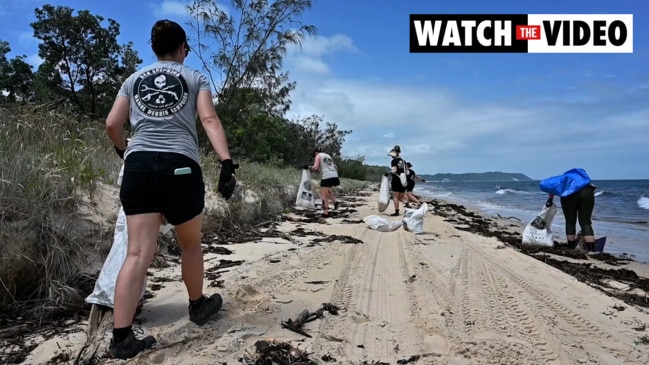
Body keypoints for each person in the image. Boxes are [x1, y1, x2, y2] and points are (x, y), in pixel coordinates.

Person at [105, 19, 238, 359]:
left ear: (154, 49)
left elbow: (112, 123)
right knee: (190, 243)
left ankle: (121, 339)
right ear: (183, 49)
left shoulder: (133, 79)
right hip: (180, 166)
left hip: (138, 166)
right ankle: (197, 305)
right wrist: (225, 162)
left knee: (137, 253)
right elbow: (209, 119)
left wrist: (125, 150)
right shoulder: (195, 78)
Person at [540, 168, 597, 251]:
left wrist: (550, 200)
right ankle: (591, 249)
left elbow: (551, 187)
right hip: (587, 192)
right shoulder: (584, 179)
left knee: (570, 221)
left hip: (569, 195)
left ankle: (571, 247)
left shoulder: (564, 179)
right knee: (585, 222)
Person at [305, 148, 339, 218]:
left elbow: (316, 168)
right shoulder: (328, 156)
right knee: (326, 192)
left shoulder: (318, 156)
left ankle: (325, 212)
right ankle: (336, 202)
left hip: (327, 176)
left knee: (323, 195)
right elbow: (335, 166)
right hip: (335, 175)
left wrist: (308, 167)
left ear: (315, 153)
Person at [386, 145, 407, 216]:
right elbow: (407, 172)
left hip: (396, 179)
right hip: (403, 180)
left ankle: (397, 211)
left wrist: (388, 173)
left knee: (395, 197)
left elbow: (394, 170)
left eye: (392, 155)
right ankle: (408, 205)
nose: (391, 156)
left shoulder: (394, 161)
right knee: (401, 197)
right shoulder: (403, 161)